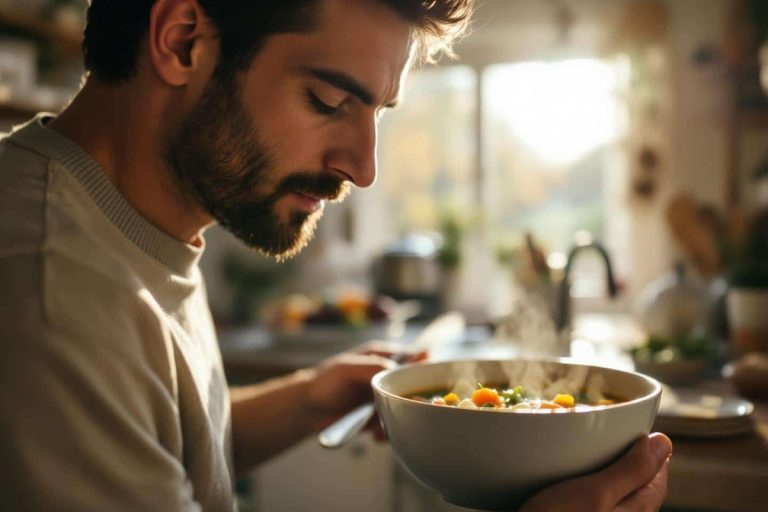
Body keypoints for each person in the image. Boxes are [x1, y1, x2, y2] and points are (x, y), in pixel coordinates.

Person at [0, 0, 672, 510]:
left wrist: (308, 399)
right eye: (329, 101)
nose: (364, 167)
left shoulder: (138, 224)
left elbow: (163, 441)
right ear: (182, 41)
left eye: (377, 113)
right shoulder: (54, 292)